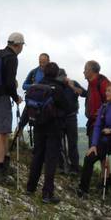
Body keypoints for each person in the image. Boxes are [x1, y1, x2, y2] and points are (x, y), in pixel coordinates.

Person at [24, 63, 70, 203]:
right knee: (50, 161)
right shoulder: (57, 89)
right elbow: (67, 108)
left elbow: (28, 107)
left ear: (44, 73)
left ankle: (30, 188)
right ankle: (47, 194)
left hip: (38, 126)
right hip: (53, 128)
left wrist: (21, 124)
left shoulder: (35, 87)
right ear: (56, 74)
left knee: (37, 156)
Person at [0, 32, 25, 183]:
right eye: (22, 45)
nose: (22, 48)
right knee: (1, 135)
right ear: (18, 45)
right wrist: (16, 98)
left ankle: (3, 163)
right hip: (0, 99)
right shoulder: (12, 57)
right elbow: (9, 83)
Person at [83, 60, 111, 185]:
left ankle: (106, 179)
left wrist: (102, 114)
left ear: (91, 71)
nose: (83, 71)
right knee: (100, 152)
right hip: (93, 122)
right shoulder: (92, 83)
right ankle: (106, 178)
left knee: (98, 151)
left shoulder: (102, 83)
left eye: (85, 69)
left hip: (101, 123)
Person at [58, 77, 87, 175]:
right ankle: (62, 167)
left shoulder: (73, 83)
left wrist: (72, 86)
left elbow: (85, 93)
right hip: (59, 118)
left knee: (72, 143)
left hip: (71, 117)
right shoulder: (56, 84)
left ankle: (74, 168)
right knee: (59, 144)